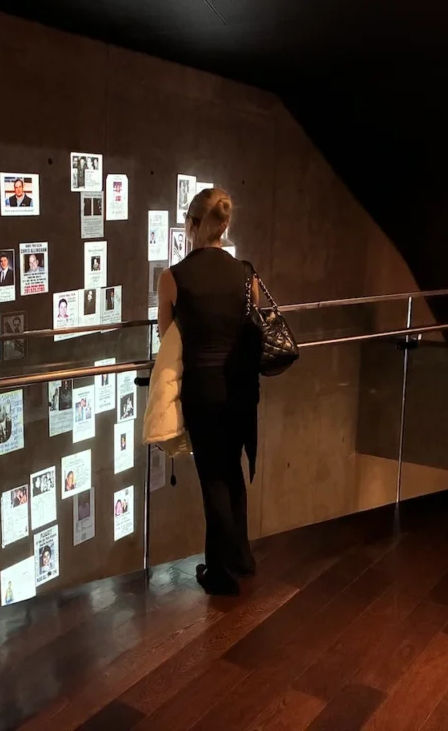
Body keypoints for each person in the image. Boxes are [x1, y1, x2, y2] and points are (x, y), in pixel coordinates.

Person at [157, 187, 260, 597]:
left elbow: (167, 336)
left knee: (212, 479)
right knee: (232, 472)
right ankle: (240, 559)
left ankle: (222, 573)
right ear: (225, 226)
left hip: (203, 390)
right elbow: (252, 325)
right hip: (240, 388)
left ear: (192, 225)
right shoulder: (247, 274)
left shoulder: (173, 277)